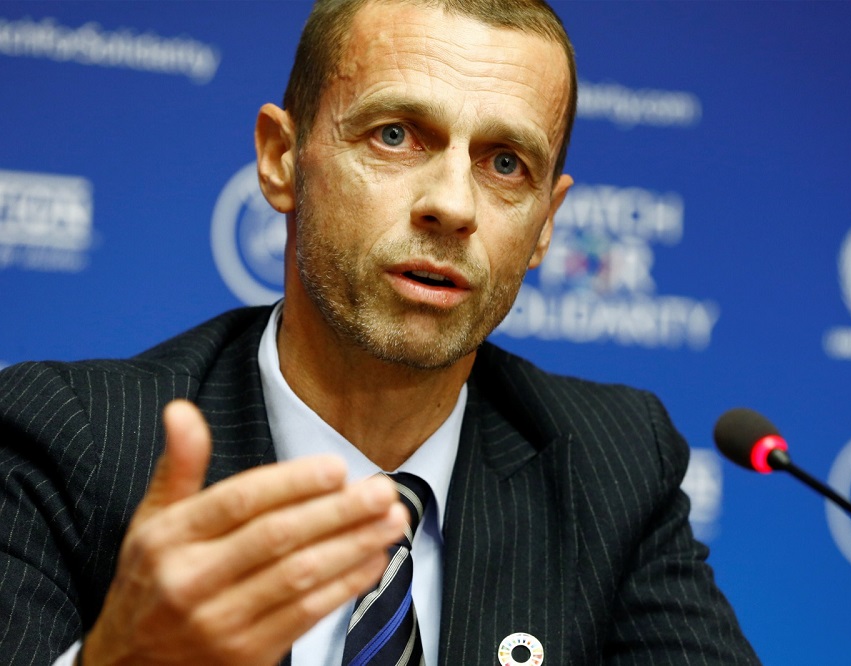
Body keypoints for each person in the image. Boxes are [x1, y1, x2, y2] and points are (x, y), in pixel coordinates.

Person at [0, 0, 760, 664]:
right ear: (281, 159)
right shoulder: (68, 442)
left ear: (545, 226)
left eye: (504, 163)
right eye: (396, 136)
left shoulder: (609, 465)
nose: (453, 205)